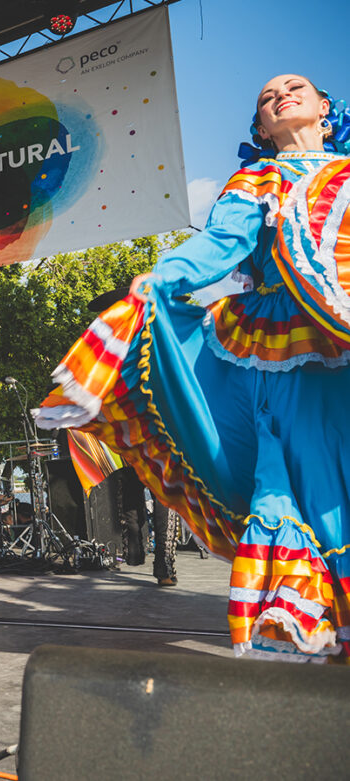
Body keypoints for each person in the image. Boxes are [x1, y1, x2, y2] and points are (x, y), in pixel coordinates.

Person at [36, 75, 350, 662]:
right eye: (265, 96)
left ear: (327, 110)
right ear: (260, 128)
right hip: (289, 361)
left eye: (295, 86)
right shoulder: (258, 181)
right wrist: (164, 278)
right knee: (303, 483)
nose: (281, 94)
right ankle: (303, 628)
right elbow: (218, 246)